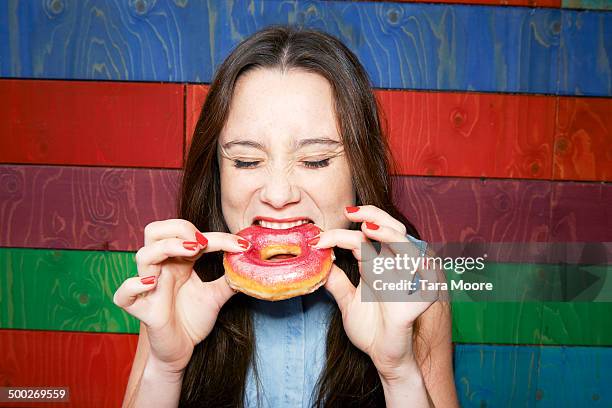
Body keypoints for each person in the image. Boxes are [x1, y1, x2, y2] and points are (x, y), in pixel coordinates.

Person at [113, 26, 458, 408]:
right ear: (216, 170)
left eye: (315, 161)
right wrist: (165, 368)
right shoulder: (178, 280)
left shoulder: (409, 275)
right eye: (246, 160)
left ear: (360, 166)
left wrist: (398, 371)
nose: (278, 195)